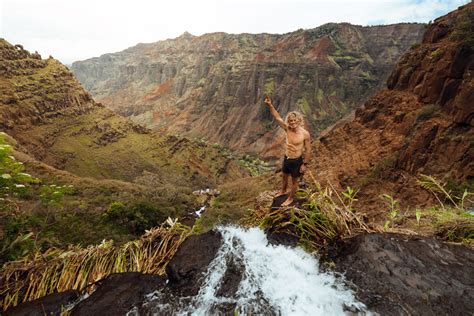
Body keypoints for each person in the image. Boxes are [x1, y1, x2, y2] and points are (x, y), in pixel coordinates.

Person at [264, 96, 311, 206]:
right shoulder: (287, 128)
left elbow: (308, 149)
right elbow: (277, 117)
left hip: (296, 160)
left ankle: (290, 198)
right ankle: (283, 191)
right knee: (284, 176)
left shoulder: (305, 134)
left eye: (295, 120)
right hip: (287, 158)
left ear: (299, 120)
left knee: (294, 181)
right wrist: (270, 105)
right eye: (290, 121)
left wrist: (305, 164)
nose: (292, 123)